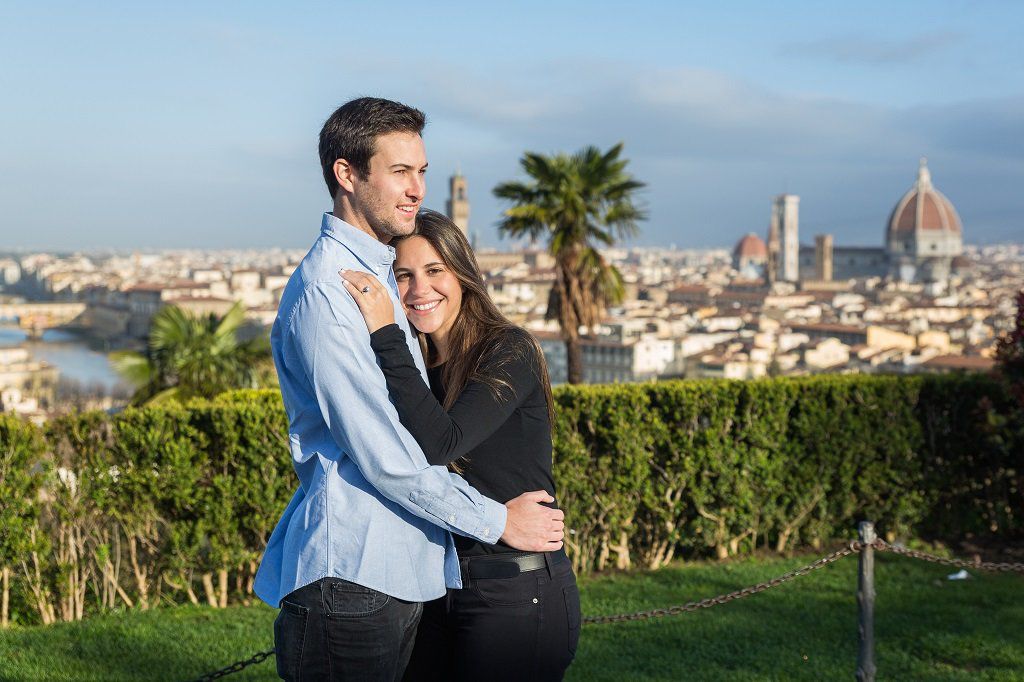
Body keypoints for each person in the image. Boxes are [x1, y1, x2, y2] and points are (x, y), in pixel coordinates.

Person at [253, 97, 565, 682]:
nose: (417, 189)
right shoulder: (331, 294)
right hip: (353, 576)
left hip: (393, 577)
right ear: (346, 175)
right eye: (400, 171)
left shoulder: (375, 280)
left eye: (421, 171)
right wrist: (497, 522)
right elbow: (389, 459)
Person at [339, 210, 580, 681]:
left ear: (464, 274)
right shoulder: (418, 364)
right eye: (402, 276)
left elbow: (440, 443)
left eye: (434, 272)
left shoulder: (509, 349)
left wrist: (385, 331)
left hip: (514, 588)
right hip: (438, 586)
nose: (418, 290)